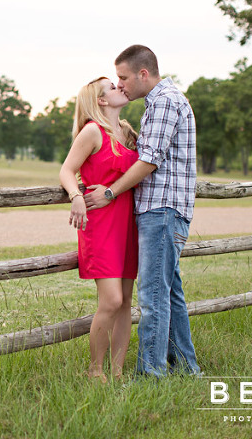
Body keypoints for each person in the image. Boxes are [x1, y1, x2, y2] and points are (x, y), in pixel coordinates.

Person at [85, 45, 201, 377]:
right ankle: (187, 368)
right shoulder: (160, 101)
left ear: (143, 74)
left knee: (152, 297)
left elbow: (149, 161)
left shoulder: (164, 101)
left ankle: (152, 373)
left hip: (161, 211)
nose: (120, 84)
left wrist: (109, 191)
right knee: (170, 294)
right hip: (164, 211)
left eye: (123, 77)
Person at [59, 76, 139, 383]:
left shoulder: (127, 132)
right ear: (101, 100)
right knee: (111, 301)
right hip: (101, 225)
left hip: (128, 224)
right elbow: (67, 169)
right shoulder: (93, 131)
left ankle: (117, 372)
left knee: (127, 301)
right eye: (112, 87)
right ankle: (95, 370)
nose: (120, 87)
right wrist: (76, 196)